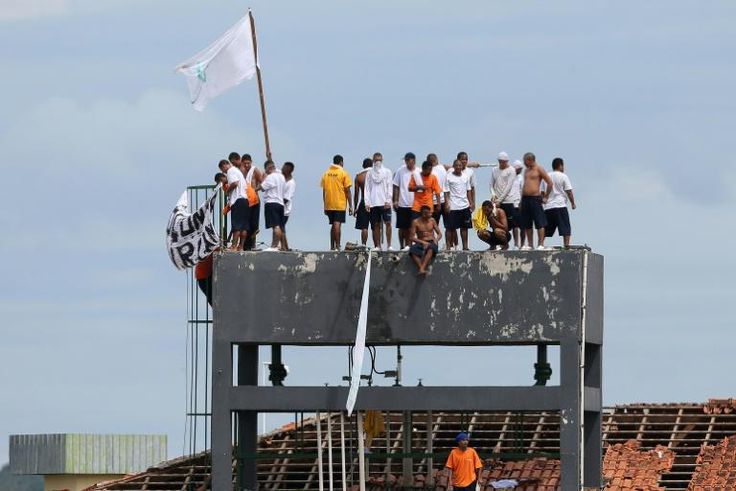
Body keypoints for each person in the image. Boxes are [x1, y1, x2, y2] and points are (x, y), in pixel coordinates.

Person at [519, 152, 553, 250]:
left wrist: (546, 196)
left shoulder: (539, 169)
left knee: (539, 222)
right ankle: (530, 244)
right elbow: (524, 186)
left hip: (535, 198)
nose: (524, 163)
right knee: (527, 223)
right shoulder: (526, 171)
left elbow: (549, 182)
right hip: (525, 199)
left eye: (525, 161)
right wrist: (521, 201)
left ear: (530, 160)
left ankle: (541, 243)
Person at [320, 154, 353, 250]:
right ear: (341, 162)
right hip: (339, 203)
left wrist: (325, 205)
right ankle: (338, 246)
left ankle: (332, 246)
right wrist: (350, 206)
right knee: (337, 224)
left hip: (329, 204)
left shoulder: (326, 173)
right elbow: (348, 191)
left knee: (333, 224)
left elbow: (324, 191)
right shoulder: (343, 173)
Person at [544, 157, 576, 247]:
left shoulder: (547, 176)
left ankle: (541, 244)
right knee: (565, 227)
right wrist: (572, 203)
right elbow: (569, 191)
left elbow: (543, 192)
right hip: (560, 205)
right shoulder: (563, 176)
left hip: (548, 206)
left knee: (546, 228)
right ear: (560, 165)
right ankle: (566, 245)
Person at [490, 151, 520, 247]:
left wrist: (500, 200)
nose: (502, 163)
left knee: (514, 224)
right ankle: (500, 244)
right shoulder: (494, 170)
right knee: (496, 223)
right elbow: (491, 184)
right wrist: (493, 195)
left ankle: (516, 244)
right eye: (500, 161)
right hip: (496, 202)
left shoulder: (511, 170)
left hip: (508, 201)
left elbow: (508, 187)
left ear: (507, 161)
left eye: (504, 161)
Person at [364, 152, 393, 250]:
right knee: (375, 224)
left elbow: (390, 186)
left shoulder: (387, 172)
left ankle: (389, 245)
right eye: (376, 160)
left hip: (385, 202)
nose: (378, 162)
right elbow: (367, 188)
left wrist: (388, 200)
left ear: (382, 160)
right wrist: (367, 202)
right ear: (373, 161)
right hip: (373, 203)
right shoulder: (369, 173)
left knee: (388, 223)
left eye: (379, 160)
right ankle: (378, 246)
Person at [218, 159, 249, 251]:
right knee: (244, 226)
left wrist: (227, 191)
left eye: (222, 169)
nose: (223, 172)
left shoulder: (230, 171)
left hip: (237, 200)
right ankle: (241, 247)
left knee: (236, 226)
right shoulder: (237, 171)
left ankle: (233, 247)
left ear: (225, 165)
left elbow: (235, 183)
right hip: (245, 200)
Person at [444, 159, 473, 251]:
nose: (458, 167)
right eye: (456, 165)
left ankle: (465, 246)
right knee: (450, 228)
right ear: (453, 166)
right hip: (453, 205)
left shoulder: (465, 177)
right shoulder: (448, 177)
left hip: (464, 205)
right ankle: (448, 246)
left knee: (464, 227)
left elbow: (468, 190)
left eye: (460, 165)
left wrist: (471, 202)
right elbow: (446, 192)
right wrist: (447, 204)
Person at [392, 152, 418, 250]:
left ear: (413, 160)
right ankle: (402, 245)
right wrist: (395, 200)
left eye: (408, 160)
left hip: (415, 204)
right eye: (405, 160)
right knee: (402, 227)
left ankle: (409, 245)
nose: (407, 162)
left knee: (412, 226)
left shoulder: (418, 171)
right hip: (402, 203)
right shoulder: (400, 171)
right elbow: (396, 186)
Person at [408, 205, 442, 276]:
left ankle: (421, 269)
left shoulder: (432, 220)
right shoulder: (416, 222)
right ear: (423, 213)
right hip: (421, 241)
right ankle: (421, 268)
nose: (430, 214)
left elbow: (439, 234)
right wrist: (423, 242)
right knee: (412, 250)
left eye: (429, 213)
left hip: (431, 241)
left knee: (431, 248)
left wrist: (436, 240)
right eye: (427, 213)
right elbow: (411, 237)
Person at [260, 160, 286, 251]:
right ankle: (276, 245)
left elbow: (262, 188)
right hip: (280, 203)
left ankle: (275, 246)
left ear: (269, 168)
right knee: (278, 225)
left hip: (271, 202)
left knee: (275, 226)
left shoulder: (270, 177)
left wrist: (255, 188)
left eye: (265, 170)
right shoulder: (282, 177)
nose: (265, 172)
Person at [241, 154, 263, 251]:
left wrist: (255, 190)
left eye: (248, 163)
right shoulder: (240, 171)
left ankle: (253, 245)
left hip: (255, 200)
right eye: (245, 163)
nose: (246, 165)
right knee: (245, 224)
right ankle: (245, 245)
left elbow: (264, 183)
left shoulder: (255, 170)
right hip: (245, 200)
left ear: (251, 162)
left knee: (254, 225)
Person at [428, 153, 449, 244]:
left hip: (434, 201)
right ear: (436, 160)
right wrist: (447, 202)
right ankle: (449, 245)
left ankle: (432, 244)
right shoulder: (442, 168)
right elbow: (446, 187)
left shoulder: (428, 171)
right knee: (448, 226)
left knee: (432, 226)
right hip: (443, 200)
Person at [354, 158, 372, 246]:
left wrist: (355, 207)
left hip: (364, 201)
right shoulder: (376, 174)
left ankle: (364, 245)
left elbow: (356, 194)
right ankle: (377, 246)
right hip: (375, 202)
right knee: (376, 226)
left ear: (363, 166)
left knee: (364, 227)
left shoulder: (359, 176)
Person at [508, 160, 524, 249]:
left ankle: (522, 244)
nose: (521, 170)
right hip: (511, 204)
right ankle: (516, 244)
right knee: (514, 226)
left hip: (519, 204)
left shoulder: (521, 178)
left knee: (522, 226)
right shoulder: (509, 177)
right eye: (519, 169)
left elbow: (522, 191)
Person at [281, 161, 296, 251]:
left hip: (284, 209)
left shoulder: (291, 183)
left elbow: (286, 198)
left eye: (284, 168)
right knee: (281, 227)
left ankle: (284, 247)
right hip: (281, 208)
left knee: (280, 227)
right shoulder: (283, 179)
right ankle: (285, 247)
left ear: (288, 170)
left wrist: (277, 204)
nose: (282, 169)